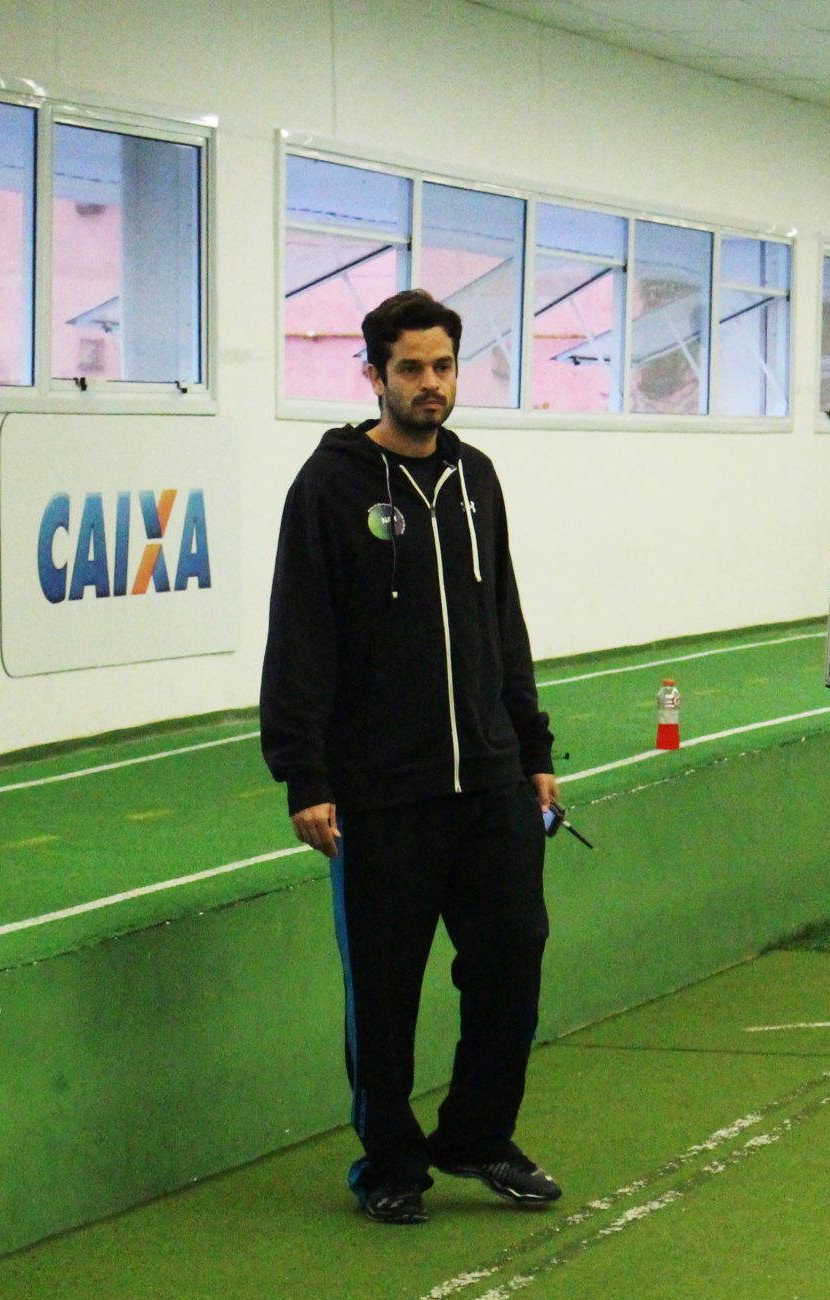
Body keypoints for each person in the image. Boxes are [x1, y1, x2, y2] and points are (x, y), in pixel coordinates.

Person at [260, 289, 565, 1227]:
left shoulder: (478, 480)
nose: (430, 385)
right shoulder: (330, 487)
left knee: (514, 956)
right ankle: (389, 1162)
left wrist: (534, 749)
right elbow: (300, 636)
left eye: (442, 368)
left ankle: (476, 1134)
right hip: (382, 797)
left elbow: (500, 623)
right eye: (411, 370)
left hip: (491, 783)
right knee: (384, 995)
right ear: (375, 375)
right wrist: (304, 775)